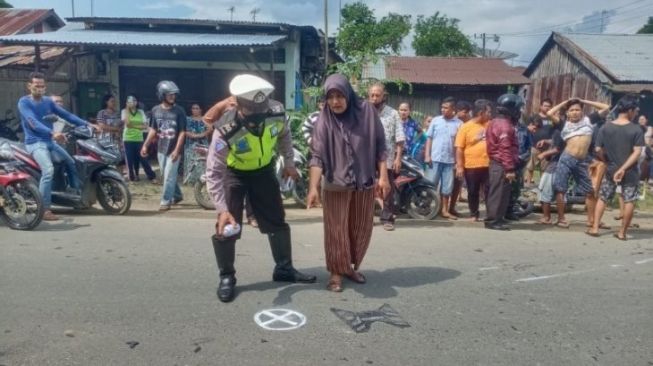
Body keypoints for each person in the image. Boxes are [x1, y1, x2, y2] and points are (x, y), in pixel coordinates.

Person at [205, 74, 316, 303]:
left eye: (261, 112)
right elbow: (214, 172)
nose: (259, 119)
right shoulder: (226, 128)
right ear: (239, 106)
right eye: (253, 114)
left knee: (277, 221)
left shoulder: (275, 112)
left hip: (264, 171)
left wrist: (289, 163)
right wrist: (221, 208)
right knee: (227, 227)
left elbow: (284, 136)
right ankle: (227, 276)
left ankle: (284, 269)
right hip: (234, 175)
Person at [306, 73, 390, 292]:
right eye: (330, 96)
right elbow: (317, 155)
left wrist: (383, 176)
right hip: (336, 184)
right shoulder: (325, 118)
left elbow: (381, 146)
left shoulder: (367, 112)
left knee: (360, 227)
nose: (335, 101)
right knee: (336, 230)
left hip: (364, 181)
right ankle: (336, 271)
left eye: (340, 95)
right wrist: (313, 187)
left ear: (348, 95)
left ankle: (350, 267)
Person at [17, 72, 96, 221]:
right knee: (48, 170)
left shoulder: (48, 102)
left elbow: (67, 115)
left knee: (71, 162)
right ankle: (44, 209)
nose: (40, 88)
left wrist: (88, 124)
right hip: (35, 143)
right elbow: (32, 122)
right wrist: (52, 133)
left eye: (42, 86)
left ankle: (75, 195)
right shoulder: (24, 102)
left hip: (49, 141)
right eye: (36, 85)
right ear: (29, 86)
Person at [588, 95, 645, 240]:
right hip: (630, 171)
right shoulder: (636, 129)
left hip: (611, 169)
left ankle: (595, 228)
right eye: (636, 111)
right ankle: (622, 233)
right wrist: (624, 168)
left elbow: (598, 148)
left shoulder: (606, 127)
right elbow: (637, 152)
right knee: (629, 200)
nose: (636, 114)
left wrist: (606, 161)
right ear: (630, 110)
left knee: (603, 197)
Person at [547, 98, 609, 228]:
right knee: (560, 189)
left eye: (577, 110)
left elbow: (606, 107)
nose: (575, 112)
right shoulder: (563, 124)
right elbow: (549, 113)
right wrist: (565, 102)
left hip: (582, 161)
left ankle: (591, 219)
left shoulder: (588, 120)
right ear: (568, 113)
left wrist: (583, 101)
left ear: (582, 112)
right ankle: (561, 218)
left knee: (590, 191)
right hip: (566, 158)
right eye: (572, 110)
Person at [141, 80, 186, 211]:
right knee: (167, 176)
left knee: (168, 177)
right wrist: (145, 145)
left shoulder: (179, 111)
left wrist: (177, 150)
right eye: (169, 94)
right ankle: (177, 195)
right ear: (162, 95)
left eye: (174, 94)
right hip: (161, 149)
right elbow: (153, 130)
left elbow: (183, 132)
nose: (173, 97)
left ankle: (165, 201)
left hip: (174, 149)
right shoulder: (155, 110)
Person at [368, 82, 404, 231]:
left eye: (378, 95)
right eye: (372, 95)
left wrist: (398, 158)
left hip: (387, 159)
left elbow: (400, 138)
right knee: (367, 189)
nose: (375, 98)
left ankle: (387, 218)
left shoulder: (393, 113)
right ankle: (366, 217)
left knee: (387, 189)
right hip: (367, 159)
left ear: (383, 96)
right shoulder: (364, 112)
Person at [484, 94, 521, 231]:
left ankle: (498, 218)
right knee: (498, 193)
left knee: (501, 193)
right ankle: (492, 220)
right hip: (501, 164)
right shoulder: (504, 126)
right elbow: (504, 148)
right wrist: (509, 169)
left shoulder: (496, 122)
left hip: (499, 163)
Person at [424, 97, 462, 219]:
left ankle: (444, 210)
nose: (443, 110)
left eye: (446, 108)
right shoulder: (436, 121)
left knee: (447, 187)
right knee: (430, 185)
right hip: (434, 159)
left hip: (450, 161)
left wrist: (457, 162)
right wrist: (427, 155)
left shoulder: (459, 124)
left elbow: (459, 145)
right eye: (442, 107)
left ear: (453, 109)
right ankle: (426, 208)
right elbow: (429, 138)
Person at [454, 99, 491, 221]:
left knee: (489, 190)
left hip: (488, 165)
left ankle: (490, 214)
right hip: (471, 166)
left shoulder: (490, 125)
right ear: (481, 113)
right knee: (472, 191)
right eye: (488, 112)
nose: (490, 115)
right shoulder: (465, 127)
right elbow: (459, 148)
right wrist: (460, 166)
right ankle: (474, 214)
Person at [122, 95, 156, 182]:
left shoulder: (140, 112)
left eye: (134, 101)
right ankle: (132, 177)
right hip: (127, 139)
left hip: (139, 138)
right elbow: (128, 124)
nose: (132, 102)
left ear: (137, 102)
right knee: (129, 159)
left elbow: (145, 126)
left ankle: (151, 176)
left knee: (143, 157)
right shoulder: (124, 111)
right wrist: (139, 126)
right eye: (129, 101)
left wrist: (135, 126)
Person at [448, 100, 472, 216]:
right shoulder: (456, 123)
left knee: (458, 184)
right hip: (453, 158)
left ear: (465, 112)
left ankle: (451, 207)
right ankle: (445, 208)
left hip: (468, 159)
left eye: (458, 111)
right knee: (449, 184)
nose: (456, 113)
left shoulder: (470, 124)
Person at [535, 129, 564, 225]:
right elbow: (556, 142)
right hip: (557, 165)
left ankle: (547, 217)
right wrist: (546, 141)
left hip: (554, 166)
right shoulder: (559, 130)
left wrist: (544, 154)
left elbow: (559, 148)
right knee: (559, 192)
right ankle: (560, 218)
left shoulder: (562, 129)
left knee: (544, 191)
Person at [183, 103, 210, 184]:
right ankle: (191, 181)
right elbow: (186, 132)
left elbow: (210, 129)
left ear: (201, 110)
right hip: (191, 145)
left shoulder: (205, 119)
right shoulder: (187, 119)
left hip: (203, 144)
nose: (194, 110)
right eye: (193, 108)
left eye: (197, 108)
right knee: (191, 161)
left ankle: (202, 181)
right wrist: (198, 135)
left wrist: (203, 134)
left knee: (202, 162)